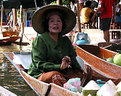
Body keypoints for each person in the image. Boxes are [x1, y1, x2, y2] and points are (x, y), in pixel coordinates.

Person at [27, 5, 92, 87]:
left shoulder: (65, 41)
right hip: (40, 74)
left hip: (62, 72)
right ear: (47, 24)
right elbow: (39, 64)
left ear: (62, 24)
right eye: (52, 21)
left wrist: (81, 67)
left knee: (86, 71)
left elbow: (73, 58)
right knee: (55, 76)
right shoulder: (40, 40)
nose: (56, 23)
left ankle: (75, 88)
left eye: (59, 21)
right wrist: (59, 66)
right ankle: (69, 89)